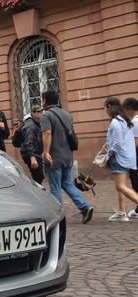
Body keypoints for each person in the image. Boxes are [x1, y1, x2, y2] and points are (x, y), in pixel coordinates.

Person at [40, 90, 94, 224]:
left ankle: (58, 217)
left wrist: (46, 152)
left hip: (54, 157)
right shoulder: (67, 114)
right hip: (68, 155)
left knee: (55, 187)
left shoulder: (46, 115)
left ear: (45, 100)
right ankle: (85, 207)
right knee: (67, 183)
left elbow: (47, 133)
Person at [103, 97, 138, 222]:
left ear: (109, 107)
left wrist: (110, 154)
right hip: (127, 157)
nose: (104, 110)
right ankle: (122, 212)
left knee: (121, 186)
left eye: (105, 107)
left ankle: (122, 213)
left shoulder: (116, 122)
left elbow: (117, 143)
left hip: (120, 158)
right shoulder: (125, 120)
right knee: (120, 186)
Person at [19, 104, 45, 184]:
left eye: (42, 111)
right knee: (38, 176)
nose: (42, 114)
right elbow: (28, 141)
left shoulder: (35, 123)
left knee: (38, 176)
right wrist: (32, 157)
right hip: (32, 154)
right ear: (33, 113)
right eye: (39, 112)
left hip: (34, 153)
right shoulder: (30, 125)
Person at [122, 97, 138, 219]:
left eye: (125, 110)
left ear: (129, 108)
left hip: (135, 157)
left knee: (136, 183)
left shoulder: (136, 122)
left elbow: (135, 142)